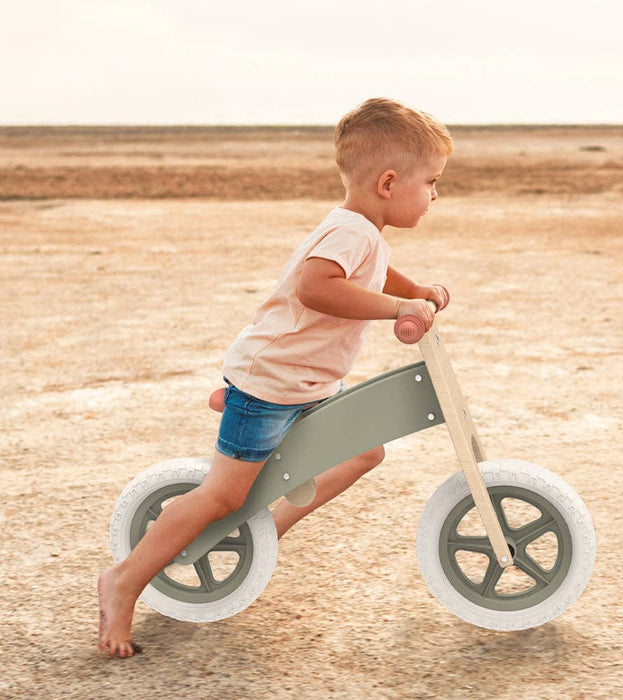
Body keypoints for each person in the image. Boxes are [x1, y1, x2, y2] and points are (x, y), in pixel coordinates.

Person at [98, 97, 454, 658]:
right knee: (221, 497)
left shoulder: (362, 231)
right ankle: (123, 581)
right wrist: (395, 311)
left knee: (363, 452)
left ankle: (267, 529)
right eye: (431, 182)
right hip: (271, 385)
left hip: (304, 384)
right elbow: (316, 288)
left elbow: (374, 270)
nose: (436, 195)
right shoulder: (351, 233)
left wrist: (414, 292)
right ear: (389, 182)